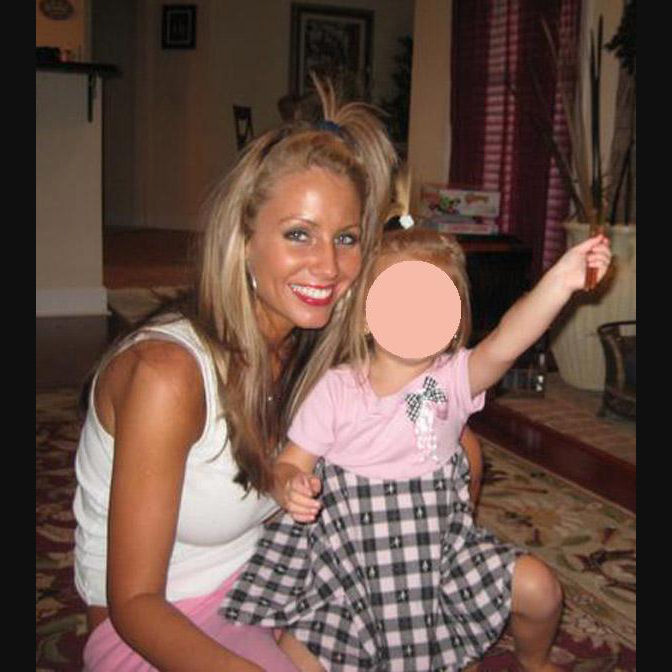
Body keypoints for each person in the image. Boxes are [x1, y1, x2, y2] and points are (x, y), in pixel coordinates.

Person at [71, 76, 400, 671]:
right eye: (298, 234)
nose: (328, 265)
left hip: (266, 586)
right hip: (159, 625)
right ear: (244, 240)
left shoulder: (310, 349)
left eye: (346, 238)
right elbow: (134, 606)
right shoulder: (168, 375)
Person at [220, 212, 611, 670]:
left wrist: (561, 281)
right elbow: (290, 463)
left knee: (541, 589)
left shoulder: (454, 379)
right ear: (364, 318)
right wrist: (290, 484)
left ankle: (535, 661)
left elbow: (510, 339)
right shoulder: (335, 390)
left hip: (443, 559)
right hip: (349, 573)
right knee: (292, 660)